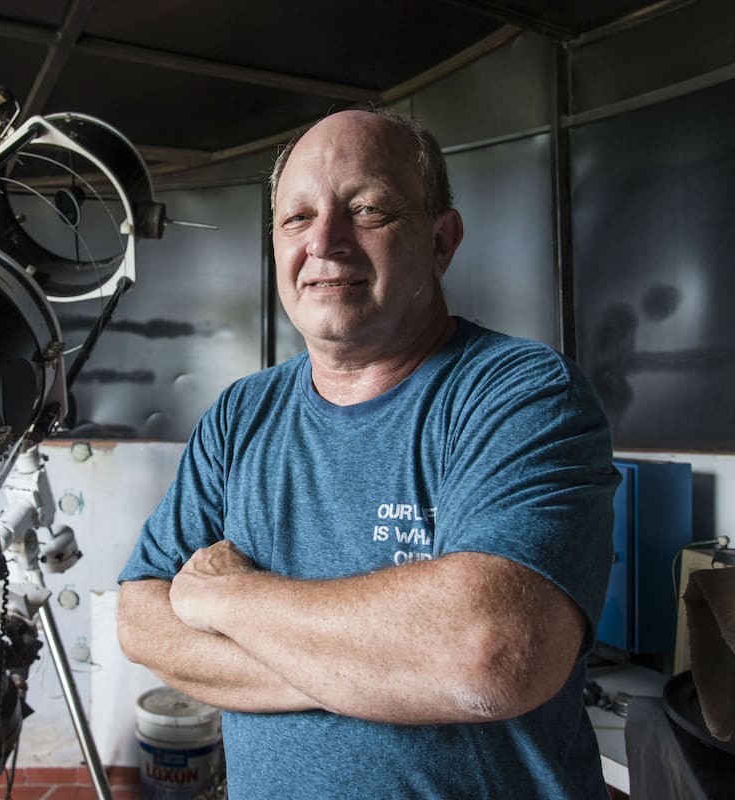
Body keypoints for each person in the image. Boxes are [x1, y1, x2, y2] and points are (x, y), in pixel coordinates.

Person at [115, 108, 620, 799]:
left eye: (368, 210)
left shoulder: (519, 392)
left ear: (441, 241)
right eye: (297, 218)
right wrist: (380, 671)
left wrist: (226, 596)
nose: (324, 242)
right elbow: (142, 619)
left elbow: (491, 650)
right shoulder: (240, 415)